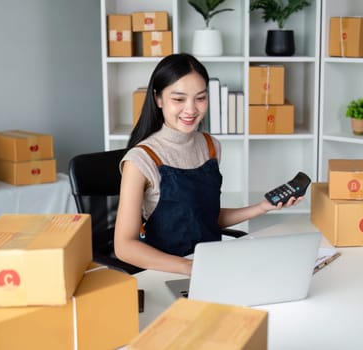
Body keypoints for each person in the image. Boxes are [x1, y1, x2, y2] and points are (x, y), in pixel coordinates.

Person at [114, 53, 302, 276]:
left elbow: (205, 217)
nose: (191, 109)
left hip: (213, 266)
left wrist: (262, 208)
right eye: (179, 99)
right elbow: (124, 247)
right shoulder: (140, 159)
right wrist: (190, 268)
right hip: (167, 272)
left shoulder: (211, 146)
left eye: (200, 98)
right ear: (158, 99)